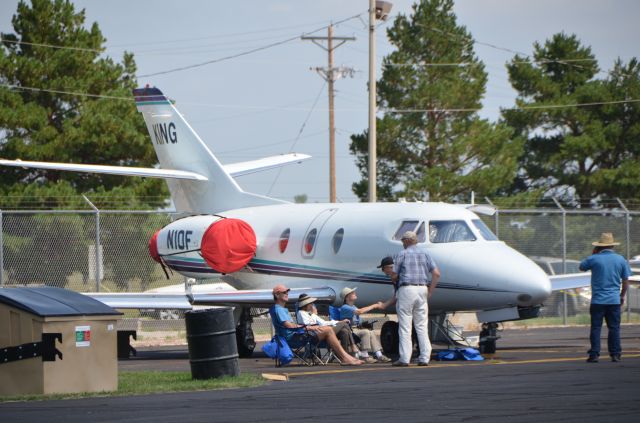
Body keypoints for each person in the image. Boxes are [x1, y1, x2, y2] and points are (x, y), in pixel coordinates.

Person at [270, 284, 363, 365]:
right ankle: (345, 357)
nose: (287, 293)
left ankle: (346, 357)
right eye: (284, 292)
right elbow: (289, 326)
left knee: (338, 329)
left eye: (287, 292)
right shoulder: (279, 309)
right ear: (277, 295)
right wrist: (311, 327)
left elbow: (293, 325)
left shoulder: (282, 309)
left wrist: (314, 325)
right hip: (295, 337)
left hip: (299, 334)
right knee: (329, 329)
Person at [391, 231, 440, 367]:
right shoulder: (425, 254)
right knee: (421, 325)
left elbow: (394, 275)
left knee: (405, 325)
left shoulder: (402, 254)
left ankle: (405, 358)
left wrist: (394, 277)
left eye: (403, 241)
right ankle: (424, 357)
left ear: (407, 241)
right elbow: (436, 273)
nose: (402, 244)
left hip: (407, 289)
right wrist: (430, 291)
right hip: (422, 289)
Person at [579, 233, 631, 363]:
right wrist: (621, 296)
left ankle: (594, 354)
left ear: (598, 247)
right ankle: (615, 354)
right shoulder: (621, 259)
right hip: (614, 300)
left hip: (597, 300)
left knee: (596, 327)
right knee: (614, 327)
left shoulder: (594, 258)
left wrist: (593, 254)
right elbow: (625, 281)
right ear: (612, 245)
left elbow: (581, 267)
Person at [295, 293, 361, 357]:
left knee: (344, 331)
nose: (312, 305)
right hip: (314, 334)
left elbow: (324, 322)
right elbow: (308, 325)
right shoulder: (301, 313)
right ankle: (353, 346)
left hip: (322, 331)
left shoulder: (310, 313)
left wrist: (340, 321)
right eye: (310, 303)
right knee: (344, 324)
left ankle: (344, 355)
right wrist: (314, 314)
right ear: (306, 304)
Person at [339, 287, 391, 363]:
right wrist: (375, 305)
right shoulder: (345, 307)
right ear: (347, 297)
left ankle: (379, 354)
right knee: (366, 332)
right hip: (350, 331)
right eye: (352, 293)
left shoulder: (353, 307)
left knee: (371, 332)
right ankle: (365, 356)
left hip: (357, 330)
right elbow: (360, 311)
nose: (354, 293)